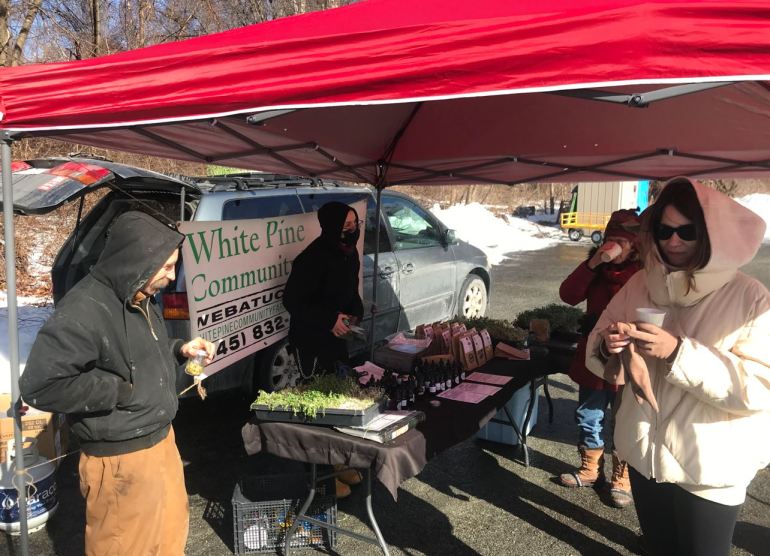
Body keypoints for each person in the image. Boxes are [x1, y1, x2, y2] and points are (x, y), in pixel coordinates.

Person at [586, 177, 770, 555]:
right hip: (643, 455)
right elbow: (601, 338)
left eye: (686, 231)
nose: (673, 241)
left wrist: (678, 353)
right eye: (664, 230)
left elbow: (759, 386)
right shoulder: (640, 283)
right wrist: (609, 344)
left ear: (710, 233)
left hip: (709, 467)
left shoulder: (749, 296)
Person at [20, 211, 215, 556]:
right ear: (137, 260)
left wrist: (178, 349)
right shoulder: (82, 312)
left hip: (161, 443)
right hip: (121, 460)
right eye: (167, 266)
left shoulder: (138, 296)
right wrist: (118, 390)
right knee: (126, 548)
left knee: (170, 540)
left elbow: (137, 354)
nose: (172, 277)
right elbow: (40, 384)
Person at [558, 209, 641, 508]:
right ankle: (591, 469)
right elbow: (568, 295)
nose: (614, 247)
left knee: (625, 420)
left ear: (636, 245)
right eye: (610, 240)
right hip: (594, 355)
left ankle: (623, 477)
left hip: (629, 356)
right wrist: (593, 263)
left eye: (622, 241)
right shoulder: (594, 269)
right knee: (589, 414)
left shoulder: (644, 273)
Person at [282, 201, 365, 497]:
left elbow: (351, 291)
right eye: (346, 228)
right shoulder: (312, 258)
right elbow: (292, 301)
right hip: (312, 341)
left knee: (339, 401)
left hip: (337, 341)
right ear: (330, 228)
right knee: (318, 409)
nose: (352, 232)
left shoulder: (349, 253)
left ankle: (339, 464)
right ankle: (320, 478)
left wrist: (356, 312)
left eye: (355, 226)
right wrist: (330, 320)